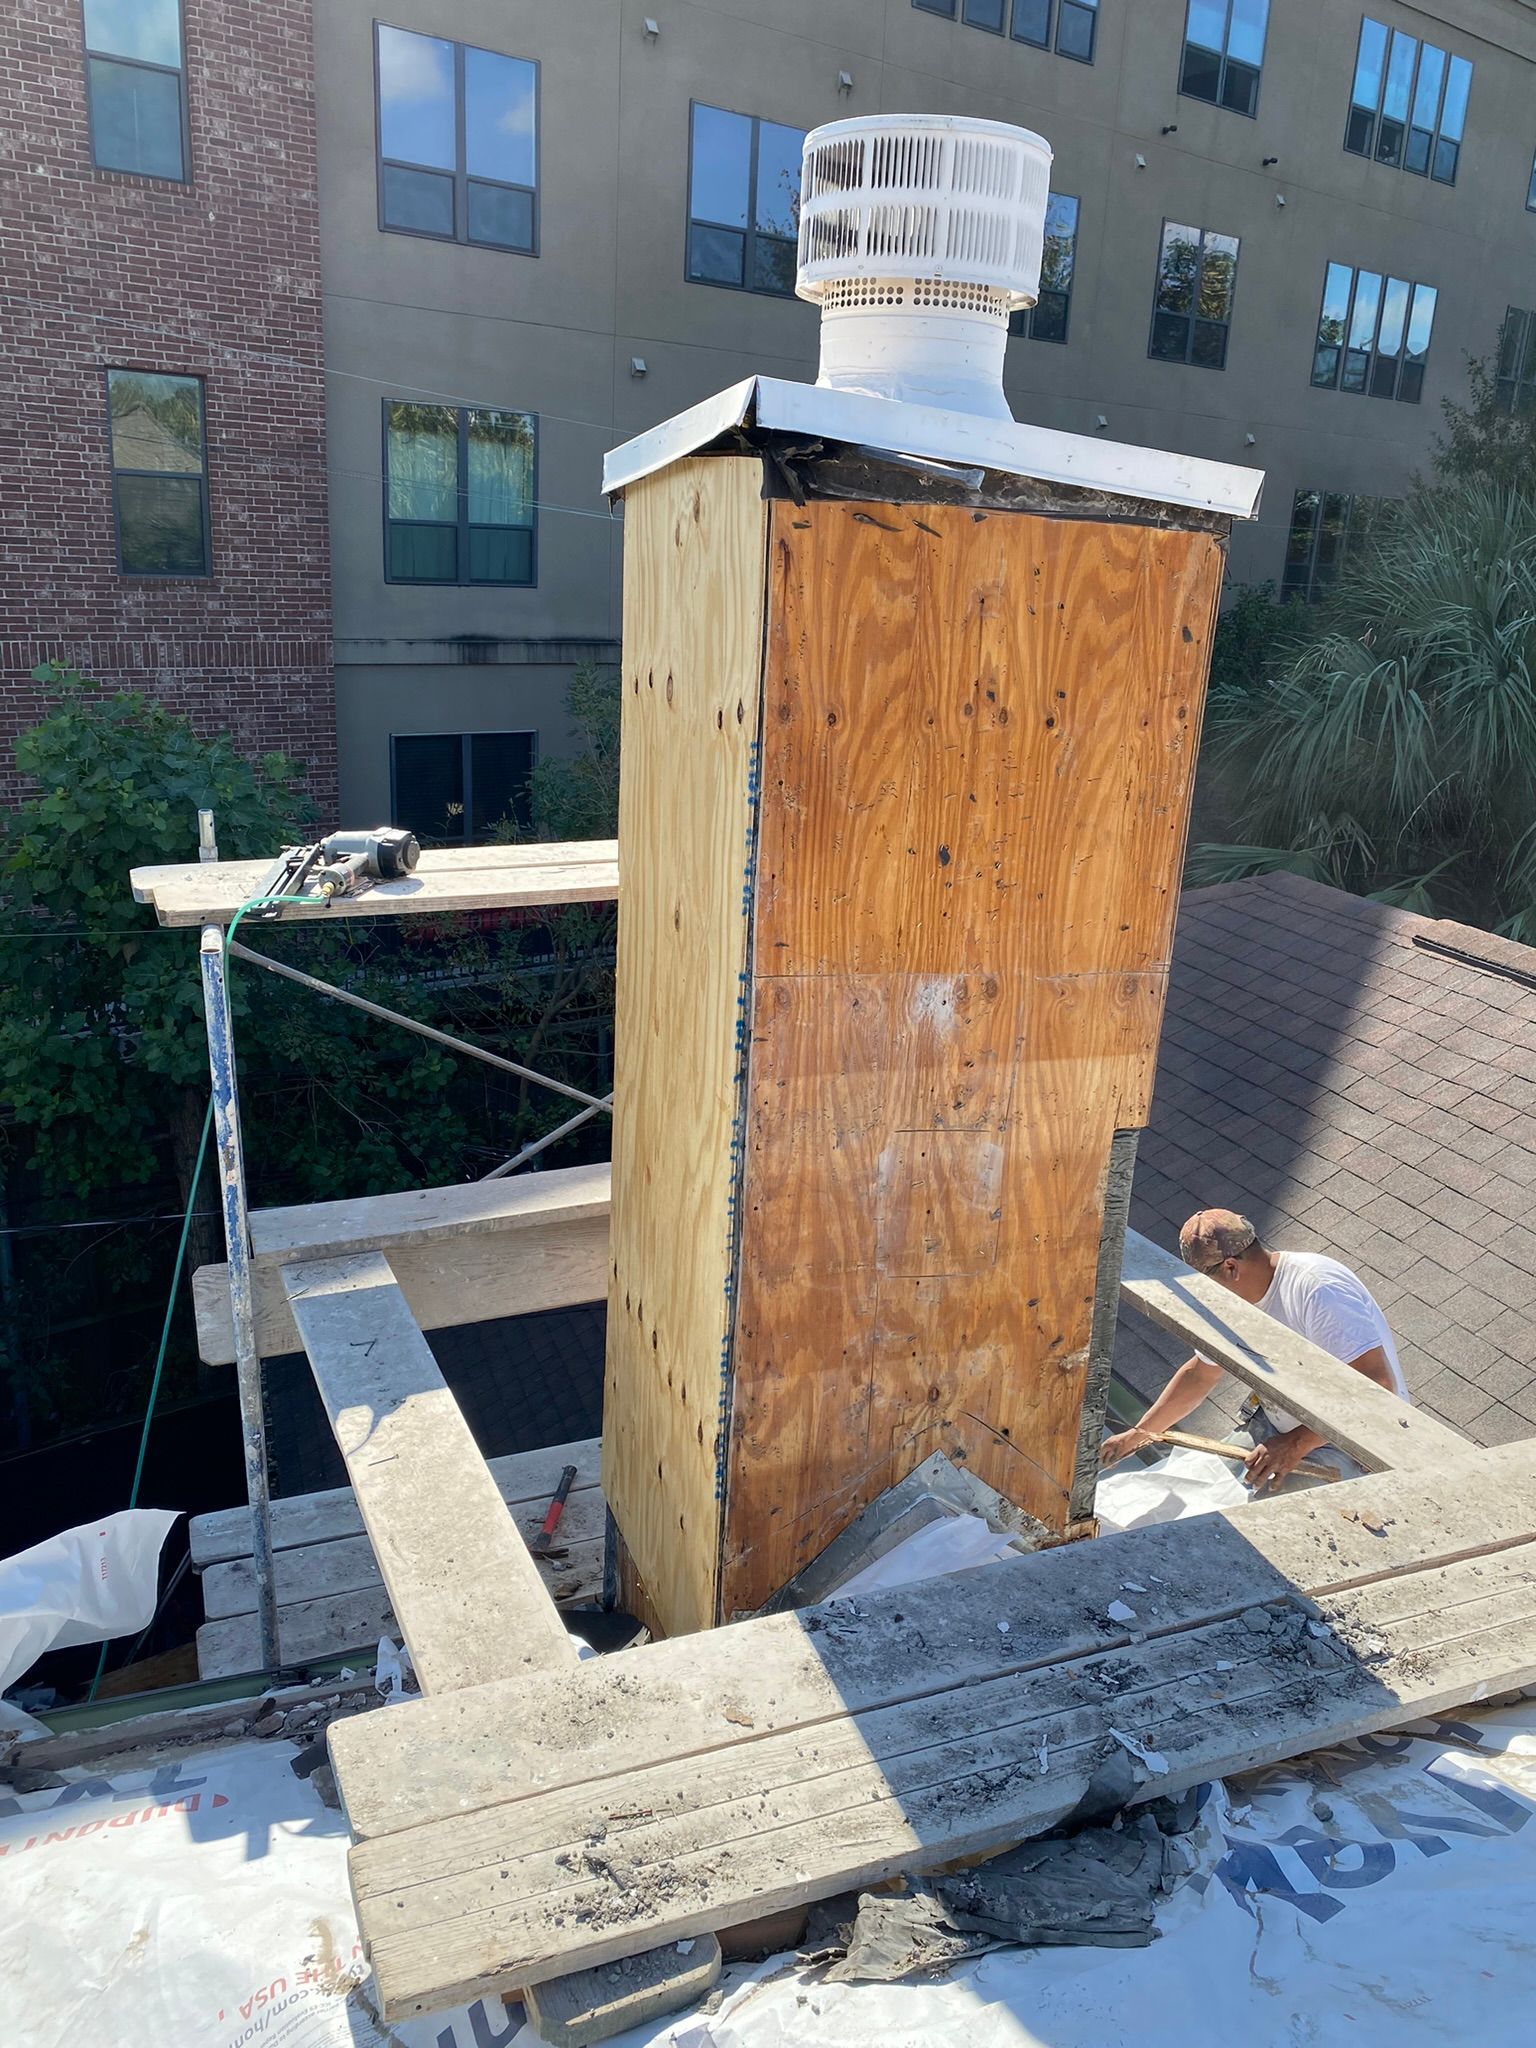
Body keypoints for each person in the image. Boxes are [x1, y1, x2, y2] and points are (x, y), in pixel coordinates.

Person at [1100, 1208, 1410, 1491]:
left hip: (1351, 1443)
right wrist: (1138, 1435)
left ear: (1231, 1267)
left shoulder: (1318, 1290)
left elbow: (1378, 1387)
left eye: (1204, 1286)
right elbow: (1200, 1375)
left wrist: (1295, 1444)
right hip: (1282, 1428)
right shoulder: (1230, 1305)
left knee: (1269, 1521)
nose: (1205, 1298)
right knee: (1192, 1488)